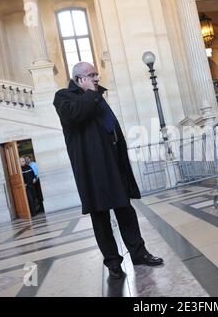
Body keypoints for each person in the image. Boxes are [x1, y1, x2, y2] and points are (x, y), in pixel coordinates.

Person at [53, 62, 163, 279]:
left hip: (113, 165)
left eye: (96, 74)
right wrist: (90, 94)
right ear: (78, 79)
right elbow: (74, 116)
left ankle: (139, 254)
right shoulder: (64, 97)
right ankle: (113, 262)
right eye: (91, 75)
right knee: (100, 216)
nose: (96, 78)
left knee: (126, 211)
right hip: (92, 170)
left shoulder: (96, 96)